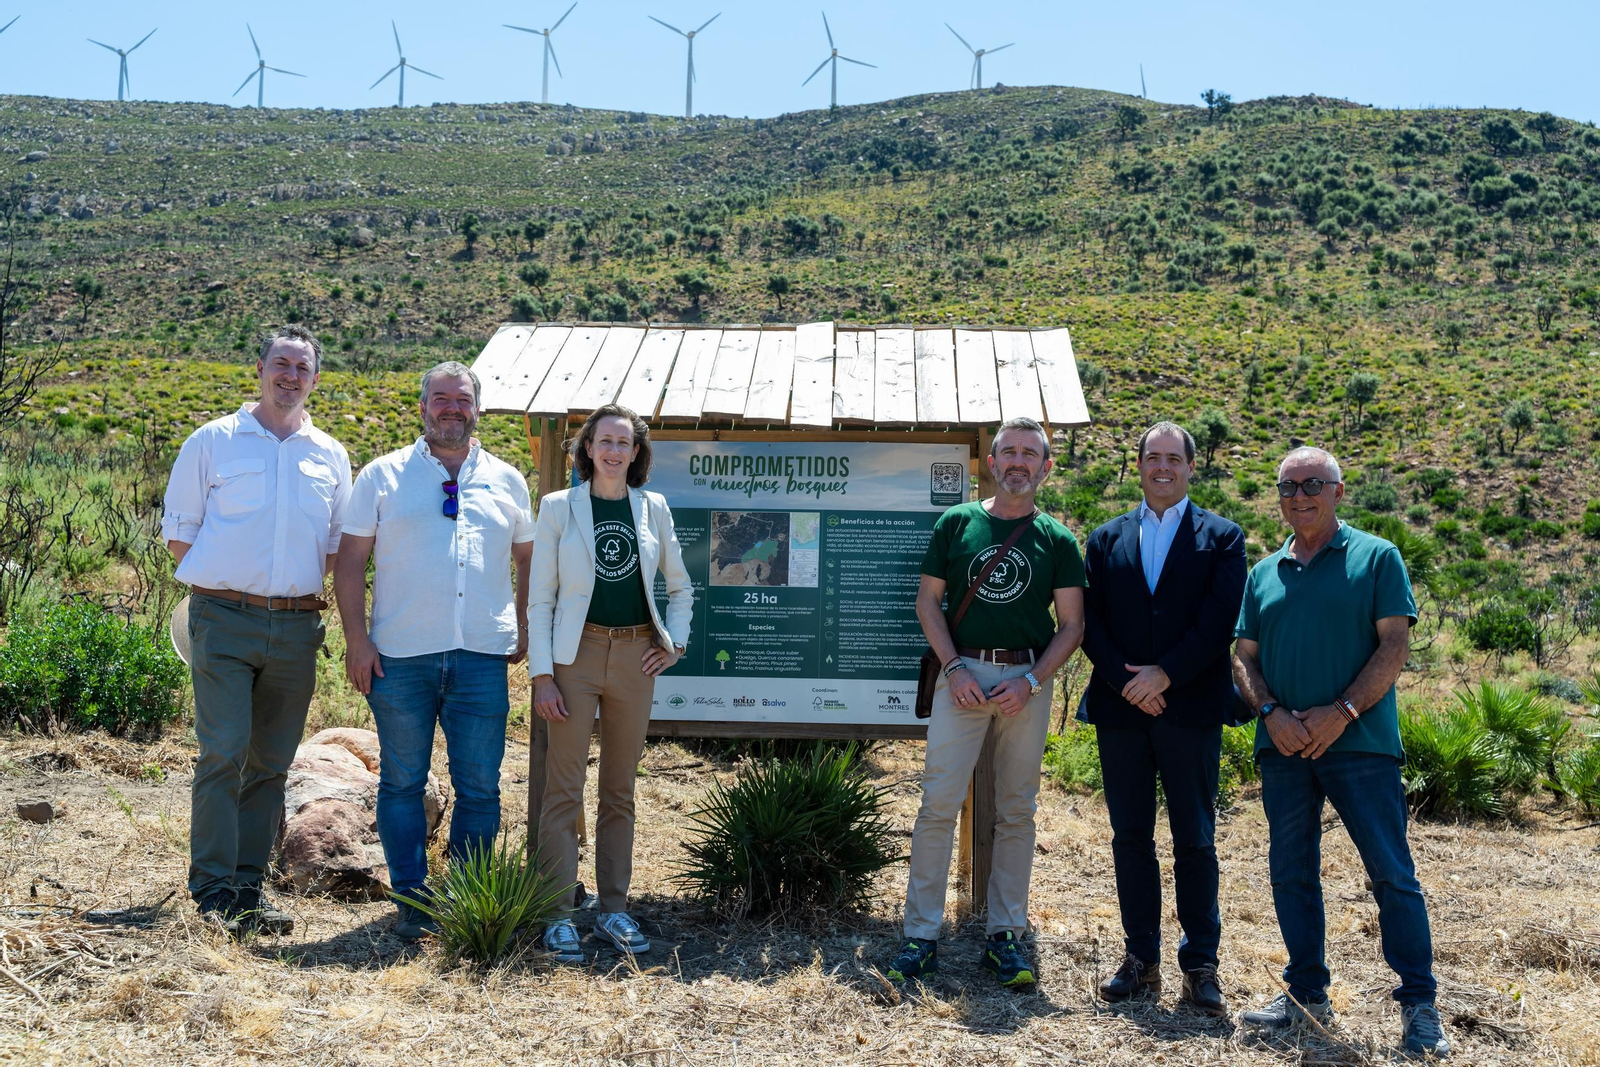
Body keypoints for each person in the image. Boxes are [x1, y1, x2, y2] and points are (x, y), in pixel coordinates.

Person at [1232, 446, 1449, 1058]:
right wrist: (1271, 714)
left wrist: (1343, 712)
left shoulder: (1377, 557)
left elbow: (1394, 646)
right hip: (1283, 747)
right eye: (1288, 486)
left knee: (1391, 874)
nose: (1299, 496)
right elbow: (1243, 658)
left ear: (1338, 491)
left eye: (1312, 484)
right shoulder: (1264, 572)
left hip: (1361, 747)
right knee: (1291, 873)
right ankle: (1306, 996)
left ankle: (1419, 1005)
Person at [335, 360, 534, 941]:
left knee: (480, 787)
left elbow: (528, 558)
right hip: (400, 656)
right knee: (402, 783)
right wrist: (356, 640)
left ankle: (467, 903)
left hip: (481, 656)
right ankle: (412, 902)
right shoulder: (382, 475)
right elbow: (350, 562)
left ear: (478, 409)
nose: (452, 408)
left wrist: (523, 624)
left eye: (462, 399)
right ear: (423, 407)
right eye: (441, 398)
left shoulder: (507, 479)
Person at [162, 324, 351, 936]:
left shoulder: (330, 455)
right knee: (224, 751)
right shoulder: (213, 441)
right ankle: (212, 888)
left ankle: (247, 887)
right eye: (281, 363)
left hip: (296, 626)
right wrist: (232, 585)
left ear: (314, 379)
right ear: (261, 369)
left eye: (302, 367)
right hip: (223, 618)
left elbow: (334, 546)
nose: (290, 376)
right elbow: (180, 534)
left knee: (271, 762)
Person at [885, 416, 1086, 989]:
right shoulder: (958, 523)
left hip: (1026, 680)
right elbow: (928, 603)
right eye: (1009, 452)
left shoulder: (1058, 539)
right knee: (937, 806)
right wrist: (953, 668)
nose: (1019, 461)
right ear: (992, 463)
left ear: (1046, 467)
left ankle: (1005, 937)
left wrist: (1032, 681)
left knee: (1017, 811)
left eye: (1030, 453)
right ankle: (921, 937)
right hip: (963, 676)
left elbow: (1072, 625)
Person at [1082, 421, 1246, 1015]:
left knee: (1194, 840)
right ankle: (1140, 958)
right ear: (1139, 465)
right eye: (1153, 457)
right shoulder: (1105, 539)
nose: (1162, 468)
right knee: (1130, 837)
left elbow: (1220, 622)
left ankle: (1201, 965)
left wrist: (1165, 675)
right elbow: (1088, 623)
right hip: (1121, 710)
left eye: (1174, 459)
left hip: (1191, 709)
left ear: (1191, 467)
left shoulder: (1222, 537)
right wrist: (1130, 683)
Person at [528, 403, 692, 963]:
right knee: (563, 789)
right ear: (588, 448)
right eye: (605, 441)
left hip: (635, 656)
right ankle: (557, 914)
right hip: (574, 656)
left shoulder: (653, 508)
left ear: (637, 451)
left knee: (619, 789)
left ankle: (613, 908)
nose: (614, 451)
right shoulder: (559, 507)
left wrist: (675, 644)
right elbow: (542, 598)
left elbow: (681, 587)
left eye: (625, 442)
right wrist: (543, 675)